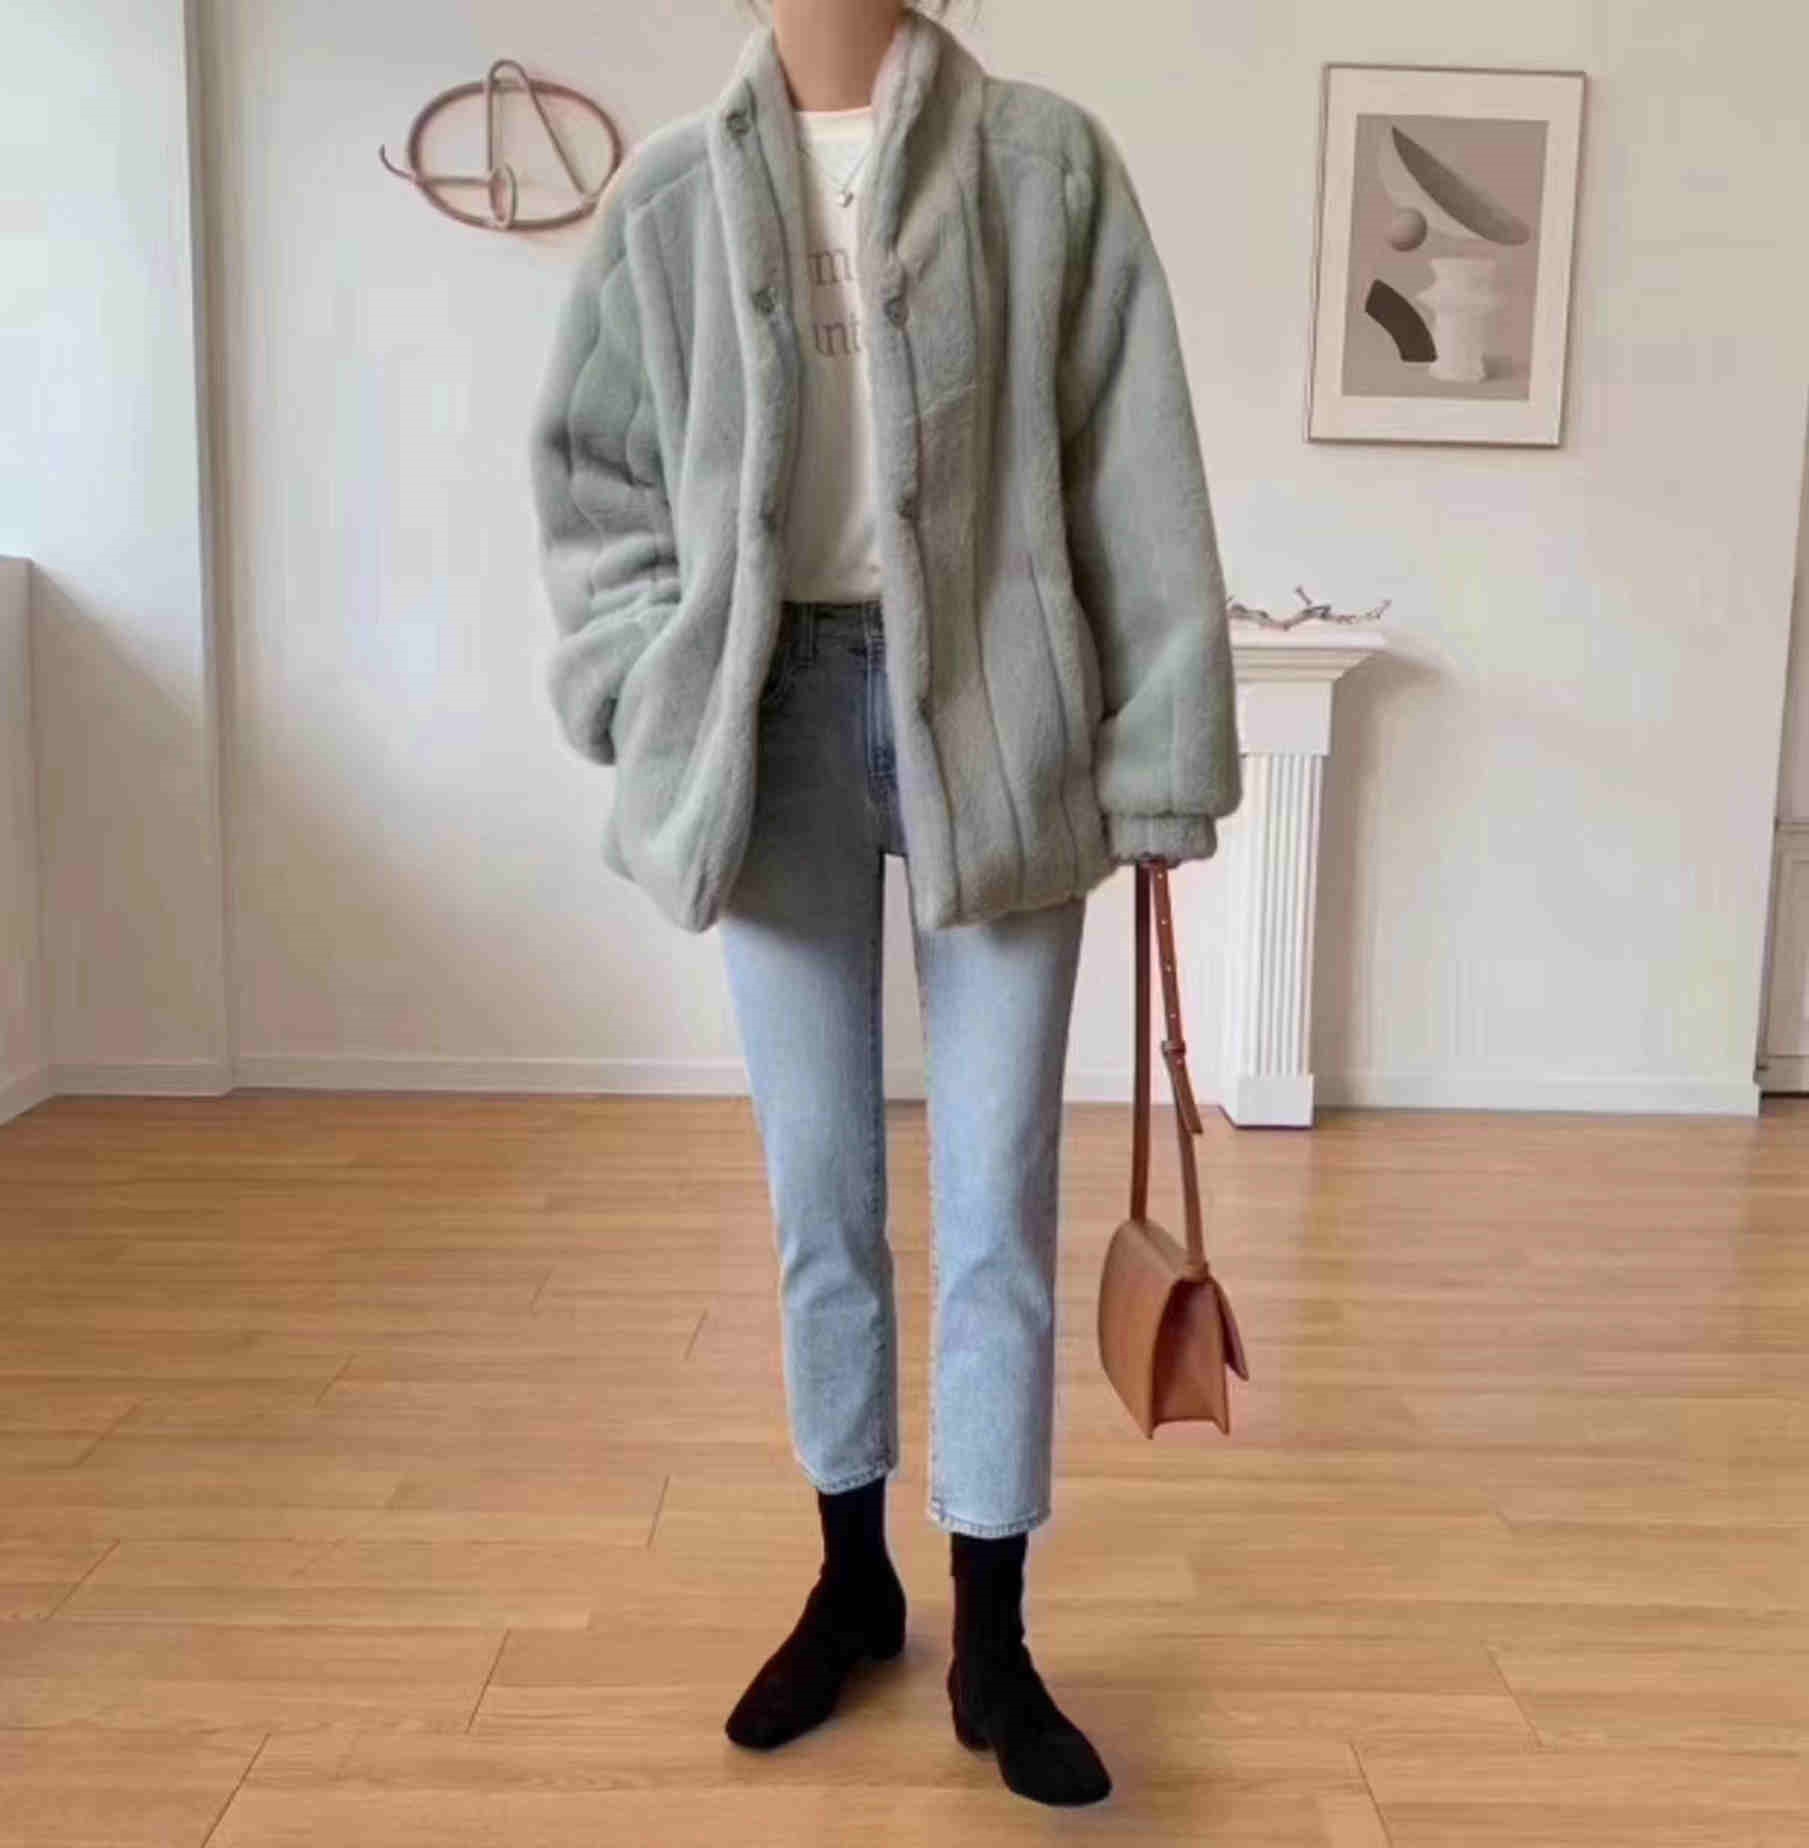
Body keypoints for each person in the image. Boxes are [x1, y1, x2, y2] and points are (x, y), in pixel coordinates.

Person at [528, 0, 1241, 1809]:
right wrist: (642, 681)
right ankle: (851, 1582)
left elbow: (1134, 469)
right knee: (818, 1194)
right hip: (766, 724)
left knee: (997, 1194)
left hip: (1001, 719)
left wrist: (1157, 752)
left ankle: (993, 1629)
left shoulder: (1044, 164)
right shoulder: (671, 195)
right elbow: (597, 478)